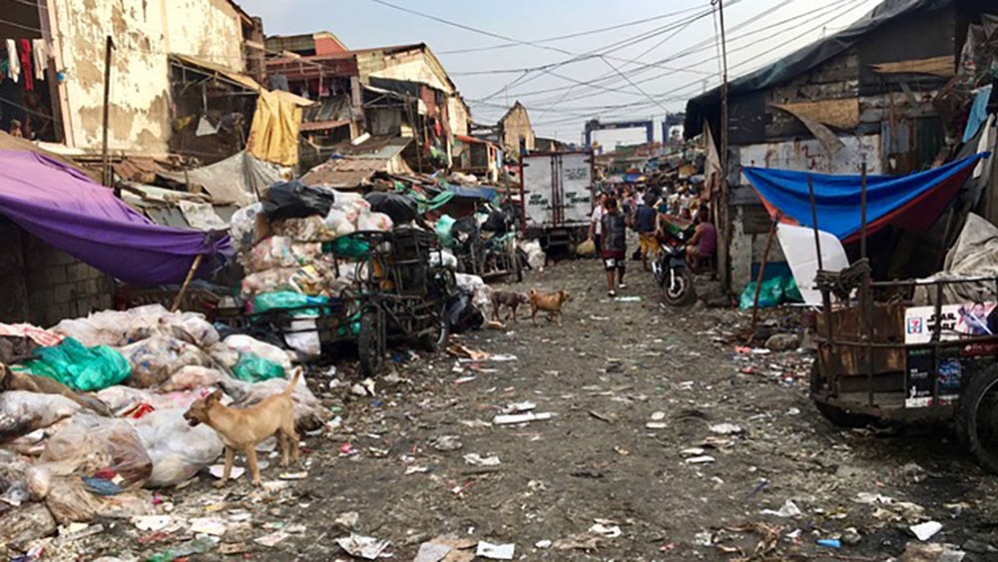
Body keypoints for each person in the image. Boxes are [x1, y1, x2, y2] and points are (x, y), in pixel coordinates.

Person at [600, 197, 628, 297]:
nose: (611, 210)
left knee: (621, 265)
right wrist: (602, 244)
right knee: (610, 267)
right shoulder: (604, 218)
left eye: (613, 208)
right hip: (609, 246)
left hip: (620, 246)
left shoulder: (622, 216)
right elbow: (603, 231)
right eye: (609, 208)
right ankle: (611, 287)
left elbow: (630, 224)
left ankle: (620, 280)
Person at [633, 194, 658, 271]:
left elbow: (635, 219)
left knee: (644, 249)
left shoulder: (639, 209)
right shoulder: (652, 210)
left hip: (641, 232)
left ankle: (645, 266)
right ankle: (657, 265)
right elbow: (653, 221)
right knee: (655, 249)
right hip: (649, 232)